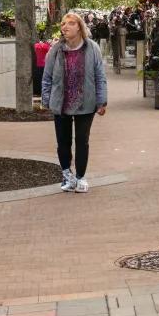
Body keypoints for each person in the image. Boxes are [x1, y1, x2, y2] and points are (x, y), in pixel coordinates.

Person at [41, 12, 107, 192]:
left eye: (70, 23)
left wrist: (101, 101)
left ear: (79, 27)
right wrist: (46, 100)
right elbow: (46, 77)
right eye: (63, 23)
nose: (65, 27)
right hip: (61, 103)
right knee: (63, 142)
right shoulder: (56, 50)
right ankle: (67, 175)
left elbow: (100, 76)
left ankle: (81, 177)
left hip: (85, 103)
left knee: (82, 141)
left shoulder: (92, 48)